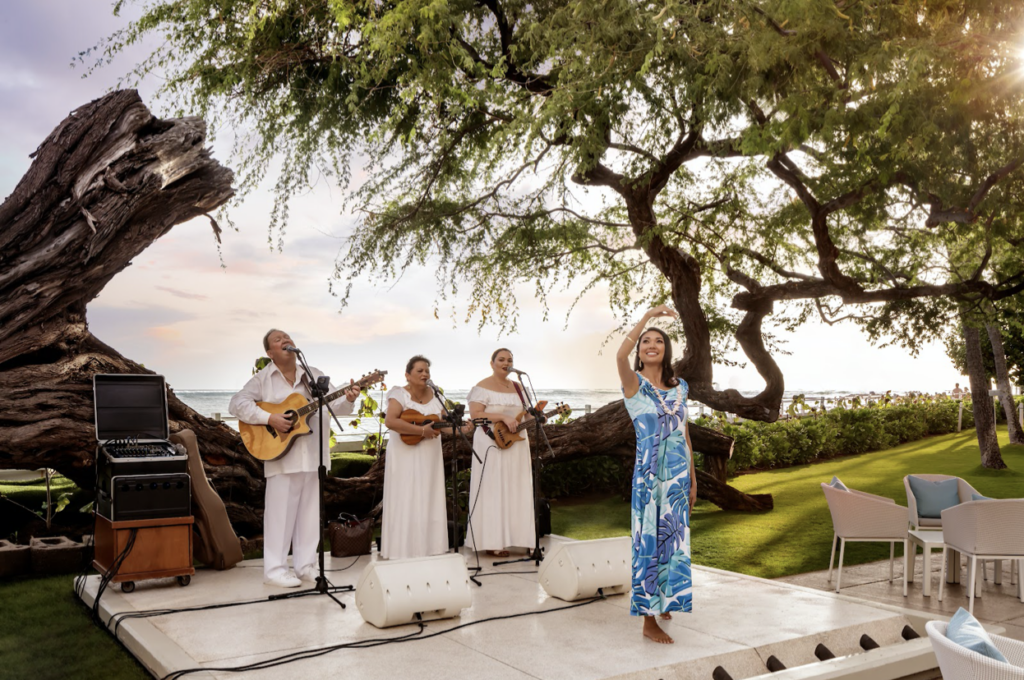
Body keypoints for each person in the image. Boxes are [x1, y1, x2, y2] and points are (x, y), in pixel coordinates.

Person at [228, 329, 360, 588]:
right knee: (280, 514)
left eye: (287, 337)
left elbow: (335, 406)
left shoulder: (313, 374)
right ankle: (274, 570)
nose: (284, 340)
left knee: (310, 514)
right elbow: (237, 403)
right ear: (270, 353)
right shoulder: (263, 379)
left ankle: (305, 565)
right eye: (277, 339)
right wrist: (270, 418)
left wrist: (349, 399)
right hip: (280, 456)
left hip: (312, 455)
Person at [616, 305, 697, 644]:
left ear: (666, 350)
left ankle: (666, 599)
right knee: (649, 542)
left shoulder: (681, 388)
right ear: (640, 351)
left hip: (678, 474)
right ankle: (648, 620)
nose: (651, 344)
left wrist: (693, 478)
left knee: (674, 541)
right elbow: (620, 354)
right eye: (645, 341)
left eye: (658, 341)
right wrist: (647, 317)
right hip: (649, 475)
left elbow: (684, 432)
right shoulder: (632, 383)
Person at [381, 356, 472, 559]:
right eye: (420, 371)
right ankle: (402, 549)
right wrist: (421, 432)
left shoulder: (436, 394)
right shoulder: (399, 393)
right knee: (406, 496)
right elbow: (391, 421)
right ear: (408, 375)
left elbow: (440, 425)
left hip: (430, 455)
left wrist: (461, 430)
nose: (424, 374)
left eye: (427, 371)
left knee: (428, 495)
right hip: (404, 454)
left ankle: (430, 547)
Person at [466, 348, 536, 557]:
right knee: (493, 488)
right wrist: (502, 417)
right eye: (502, 359)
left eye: (510, 360)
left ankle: (521, 538)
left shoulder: (519, 387)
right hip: (490, 442)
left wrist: (539, 418)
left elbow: (525, 416)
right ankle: (493, 541)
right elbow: (476, 415)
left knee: (518, 487)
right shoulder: (481, 387)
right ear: (492, 363)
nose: (506, 363)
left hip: (517, 442)